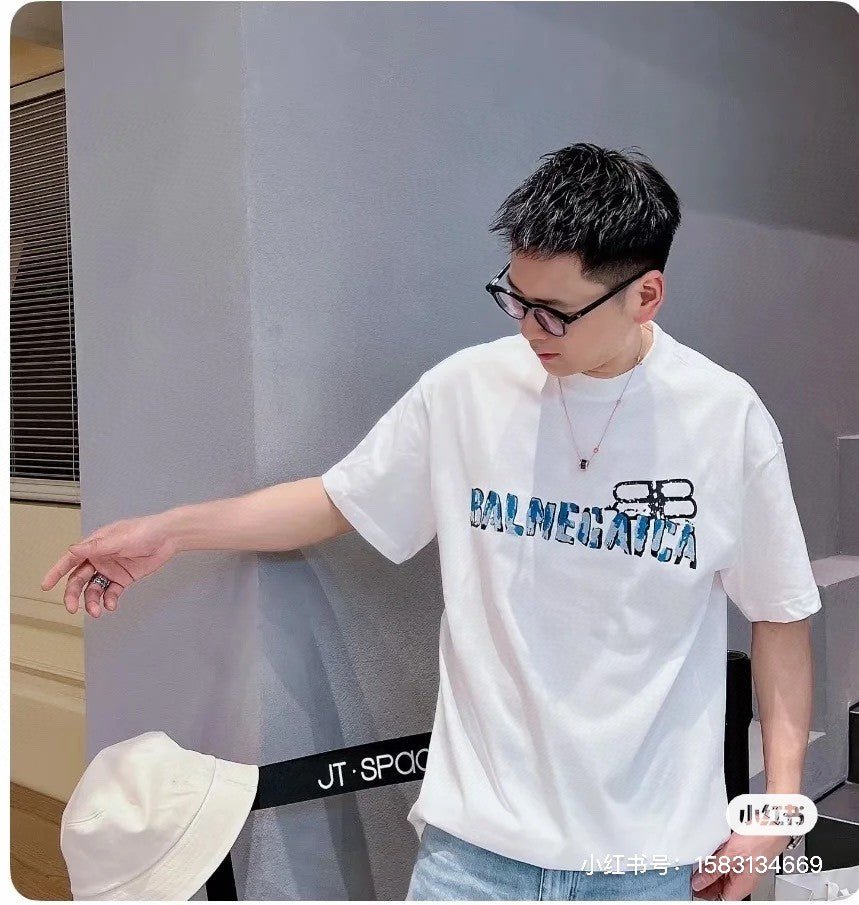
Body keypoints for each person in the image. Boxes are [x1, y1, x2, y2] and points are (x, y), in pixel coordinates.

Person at [41, 143, 820, 902]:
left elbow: (779, 613)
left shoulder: (725, 420)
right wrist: (172, 530)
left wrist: (778, 812)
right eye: (515, 297)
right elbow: (336, 500)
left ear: (645, 295)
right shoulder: (466, 392)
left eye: (555, 313)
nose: (528, 328)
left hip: (647, 862)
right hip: (472, 856)